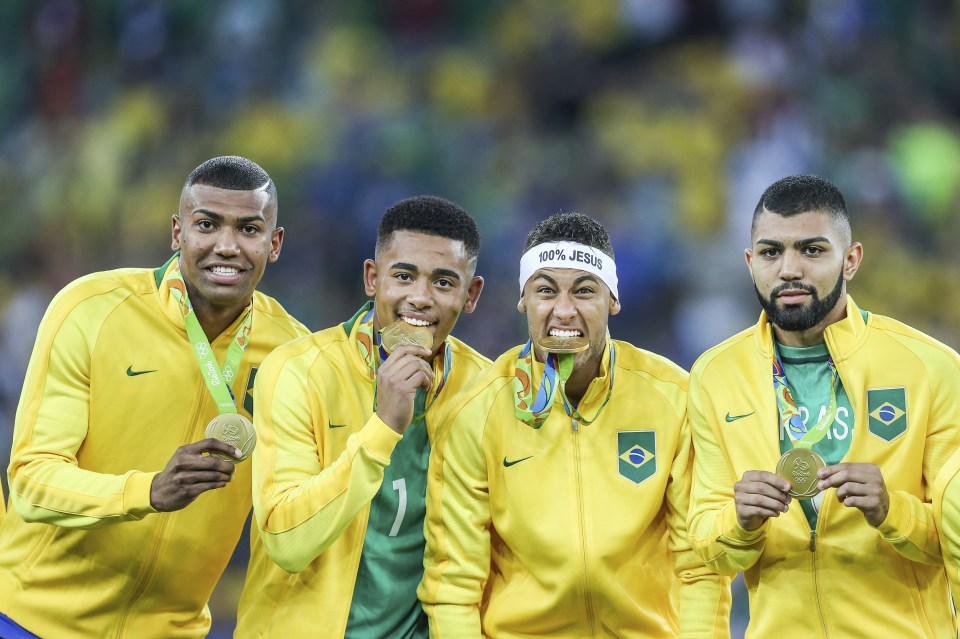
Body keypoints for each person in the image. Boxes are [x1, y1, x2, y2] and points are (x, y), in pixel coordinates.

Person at [0, 156, 308, 639]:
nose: (226, 246)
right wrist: (146, 492)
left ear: (275, 244)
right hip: (29, 620)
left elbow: (295, 517)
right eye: (207, 225)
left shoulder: (294, 358)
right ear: (176, 232)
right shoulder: (90, 309)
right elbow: (32, 480)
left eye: (249, 229)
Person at [419, 212, 730, 638]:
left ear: (613, 300)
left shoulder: (673, 400)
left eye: (584, 291)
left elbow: (702, 567)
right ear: (523, 299)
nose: (563, 310)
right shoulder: (477, 411)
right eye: (546, 290)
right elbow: (453, 586)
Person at [687, 174, 960, 637]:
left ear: (851, 260)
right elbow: (706, 550)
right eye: (772, 252)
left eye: (812, 250)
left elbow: (952, 540)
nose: (790, 269)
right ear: (751, 262)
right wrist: (741, 520)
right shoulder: (714, 376)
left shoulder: (930, 367)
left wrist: (891, 511)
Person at [235, 195, 488, 638]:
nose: (420, 298)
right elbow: (287, 543)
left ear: (471, 295)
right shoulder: (299, 370)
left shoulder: (486, 390)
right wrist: (384, 428)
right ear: (372, 279)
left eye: (444, 282)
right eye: (404, 276)